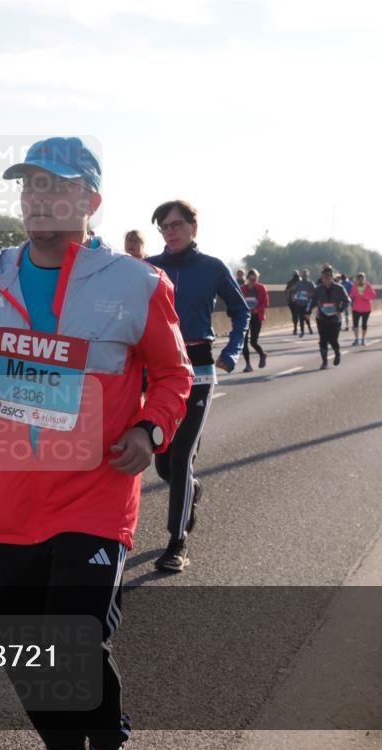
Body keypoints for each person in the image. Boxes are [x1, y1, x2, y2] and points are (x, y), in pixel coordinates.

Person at [0, 136, 193, 750]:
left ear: (91, 201)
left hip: (96, 494)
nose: (39, 198)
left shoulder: (137, 282)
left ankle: (106, 738)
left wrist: (149, 430)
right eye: (30, 185)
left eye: (58, 186)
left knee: (75, 640)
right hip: (12, 498)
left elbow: (175, 376)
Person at [146, 199, 250, 573]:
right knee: (164, 463)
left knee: (181, 456)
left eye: (176, 224)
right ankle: (191, 485)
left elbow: (241, 312)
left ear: (193, 227)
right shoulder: (149, 268)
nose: (170, 232)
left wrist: (232, 351)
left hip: (200, 370)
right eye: (164, 227)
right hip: (159, 373)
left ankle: (177, 543)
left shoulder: (213, 267)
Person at [306, 265, 349, 369]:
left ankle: (337, 353)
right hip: (322, 317)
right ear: (322, 278)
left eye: (328, 277)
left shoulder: (339, 288)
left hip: (335, 318)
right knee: (323, 340)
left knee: (333, 340)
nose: (326, 279)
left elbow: (347, 301)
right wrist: (308, 311)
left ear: (332, 277)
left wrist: (340, 310)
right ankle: (324, 362)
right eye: (324, 277)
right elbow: (312, 301)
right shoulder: (318, 289)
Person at [239, 268, 269, 372]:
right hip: (245, 317)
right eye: (251, 279)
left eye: (255, 279)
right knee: (244, 341)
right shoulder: (242, 289)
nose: (253, 282)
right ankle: (248, 365)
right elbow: (238, 302)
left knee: (253, 342)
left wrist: (257, 310)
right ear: (247, 279)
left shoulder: (261, 288)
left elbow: (265, 303)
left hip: (256, 317)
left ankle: (262, 354)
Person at [348, 272, 377, 345]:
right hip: (356, 307)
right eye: (359, 278)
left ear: (364, 279)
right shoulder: (354, 286)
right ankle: (356, 339)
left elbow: (373, 295)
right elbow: (351, 294)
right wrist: (351, 296)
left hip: (366, 308)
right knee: (355, 324)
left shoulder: (368, 286)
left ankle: (363, 339)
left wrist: (366, 297)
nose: (360, 280)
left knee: (364, 324)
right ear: (357, 279)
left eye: (362, 278)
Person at [292, 269, 316, 337]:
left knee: (306, 317)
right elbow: (295, 291)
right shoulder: (298, 283)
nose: (304, 276)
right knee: (301, 317)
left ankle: (309, 328)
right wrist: (294, 297)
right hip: (300, 303)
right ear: (301, 275)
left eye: (305, 275)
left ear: (308, 275)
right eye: (303, 275)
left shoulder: (311, 283)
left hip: (307, 304)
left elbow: (315, 291)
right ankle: (302, 332)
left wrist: (311, 294)